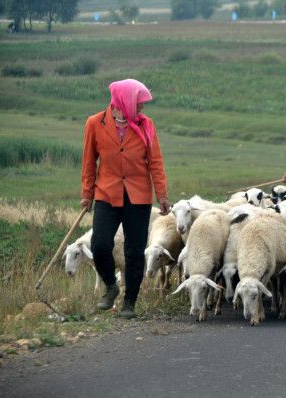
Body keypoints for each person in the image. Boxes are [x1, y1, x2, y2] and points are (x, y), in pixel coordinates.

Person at [80, 79, 170, 319]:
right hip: (107, 193)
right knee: (99, 244)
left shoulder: (146, 125)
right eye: (138, 103)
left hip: (138, 196)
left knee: (134, 251)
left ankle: (129, 302)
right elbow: (89, 162)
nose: (141, 109)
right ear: (124, 101)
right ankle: (110, 285)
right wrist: (87, 193)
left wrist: (161, 194)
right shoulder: (95, 123)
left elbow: (156, 163)